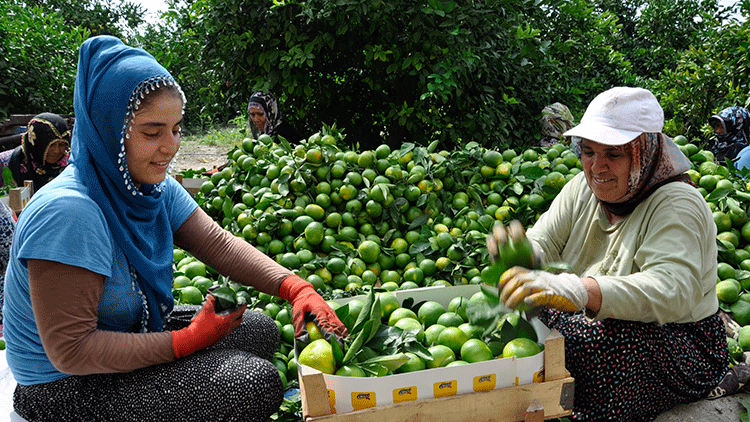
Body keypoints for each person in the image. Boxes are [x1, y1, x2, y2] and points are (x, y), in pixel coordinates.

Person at [3, 35, 347, 422]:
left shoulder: (149, 188)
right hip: (63, 386)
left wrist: (295, 287)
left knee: (258, 328)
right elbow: (72, 351)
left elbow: (219, 244)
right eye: (153, 132)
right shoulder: (69, 213)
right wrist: (185, 341)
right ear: (108, 129)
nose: (171, 146)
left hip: (127, 333)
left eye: (177, 129)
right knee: (253, 382)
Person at [487, 87, 729, 421]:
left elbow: (673, 290)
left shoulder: (675, 203)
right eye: (588, 152)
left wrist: (581, 290)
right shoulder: (582, 188)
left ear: (643, 151)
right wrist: (520, 255)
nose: (597, 167)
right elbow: (545, 241)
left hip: (679, 340)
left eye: (613, 154)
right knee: (522, 314)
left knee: (591, 343)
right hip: (597, 315)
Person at [0, 113, 71, 191]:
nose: (56, 150)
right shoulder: (6, 162)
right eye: (50, 145)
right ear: (35, 142)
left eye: (61, 144)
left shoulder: (72, 165)